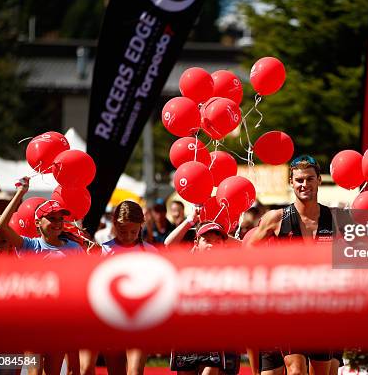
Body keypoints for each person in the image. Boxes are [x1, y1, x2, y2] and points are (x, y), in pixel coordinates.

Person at [246, 155, 339, 375]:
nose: (304, 185)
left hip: (323, 307)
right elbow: (248, 252)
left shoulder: (334, 218)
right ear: (291, 182)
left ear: (318, 181)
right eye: (299, 180)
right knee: (296, 370)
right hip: (289, 306)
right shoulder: (276, 218)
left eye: (309, 179)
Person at [0, 177, 82, 375]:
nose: (57, 223)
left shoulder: (74, 248)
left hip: (61, 321)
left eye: (60, 218)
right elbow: (2, 226)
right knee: (35, 372)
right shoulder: (30, 245)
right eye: (51, 218)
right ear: (37, 222)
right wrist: (20, 193)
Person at [80, 200, 155, 375]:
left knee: (135, 371)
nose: (128, 236)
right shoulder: (103, 251)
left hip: (139, 321)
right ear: (114, 224)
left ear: (141, 226)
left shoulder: (150, 252)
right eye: (122, 231)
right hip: (110, 321)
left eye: (133, 231)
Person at [170, 221, 241, 375]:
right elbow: (169, 245)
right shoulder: (186, 261)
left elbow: (249, 248)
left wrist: (225, 237)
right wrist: (190, 220)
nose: (212, 245)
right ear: (196, 243)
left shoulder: (229, 264)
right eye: (207, 240)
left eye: (217, 241)